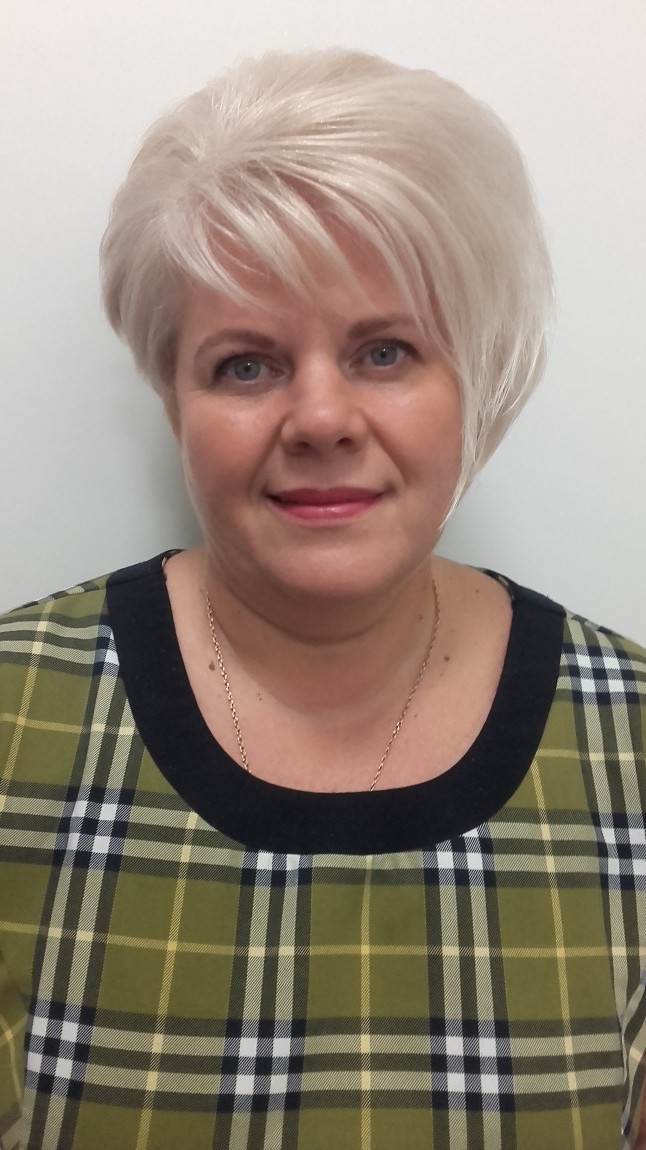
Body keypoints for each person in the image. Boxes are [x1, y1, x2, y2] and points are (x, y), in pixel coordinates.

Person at [1, 47, 645, 1150]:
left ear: (473, 380)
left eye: (384, 351)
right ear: (175, 402)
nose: (321, 419)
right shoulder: (18, 712)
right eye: (245, 365)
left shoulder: (629, 735)